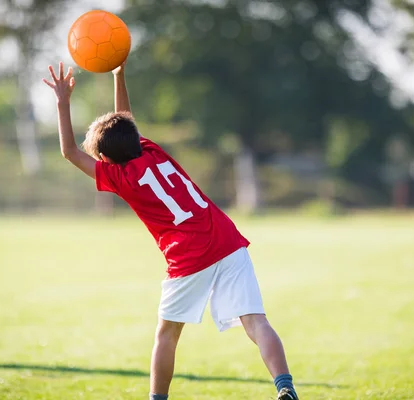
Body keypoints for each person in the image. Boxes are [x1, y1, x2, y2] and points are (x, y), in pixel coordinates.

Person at [43, 62, 299, 400]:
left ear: (105, 158)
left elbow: (69, 152)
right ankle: (285, 387)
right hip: (225, 237)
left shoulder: (121, 177)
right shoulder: (152, 150)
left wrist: (63, 103)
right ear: (135, 139)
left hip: (189, 255)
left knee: (167, 336)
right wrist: (119, 74)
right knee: (256, 321)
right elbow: (126, 118)